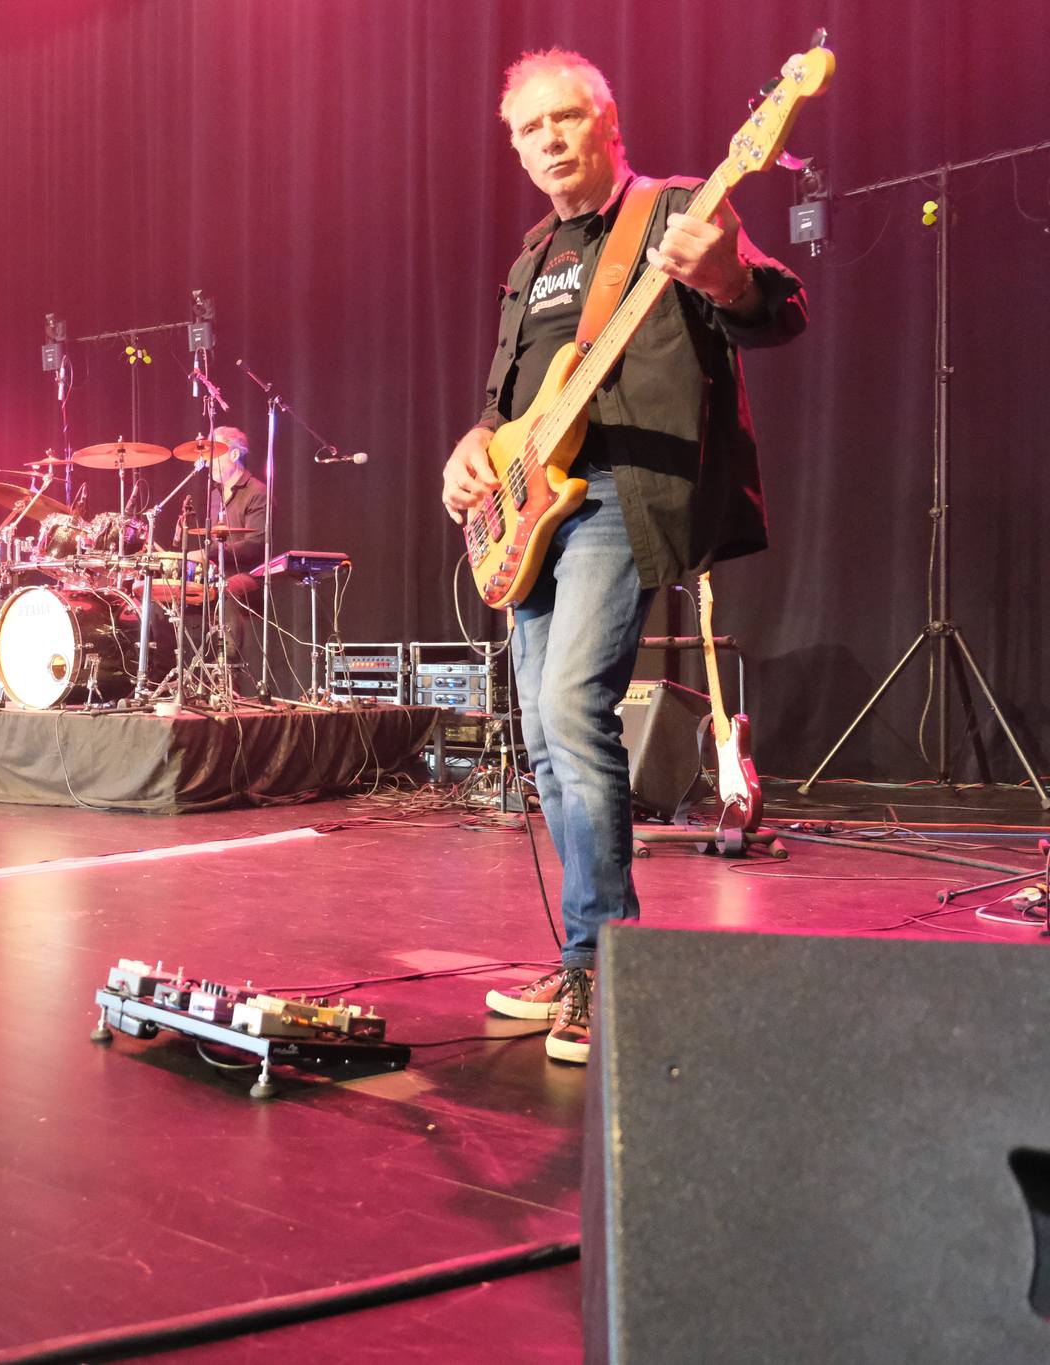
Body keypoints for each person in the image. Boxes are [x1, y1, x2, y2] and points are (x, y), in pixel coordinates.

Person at [439, 50, 807, 1063]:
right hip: (531, 505)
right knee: (543, 738)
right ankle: (578, 953)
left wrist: (725, 277)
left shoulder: (674, 209)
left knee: (571, 708)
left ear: (607, 123)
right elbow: (508, 395)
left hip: (617, 493)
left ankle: (607, 959)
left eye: (564, 119)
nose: (547, 140)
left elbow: (779, 310)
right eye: (528, 129)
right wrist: (476, 447)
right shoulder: (533, 254)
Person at [186, 428, 269, 697]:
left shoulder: (257, 492)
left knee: (227, 588)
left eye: (216, 453)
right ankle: (174, 671)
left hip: (249, 575)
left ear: (234, 454)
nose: (208, 461)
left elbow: (256, 544)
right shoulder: (214, 494)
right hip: (216, 572)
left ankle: (227, 678)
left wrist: (208, 553)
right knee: (169, 589)